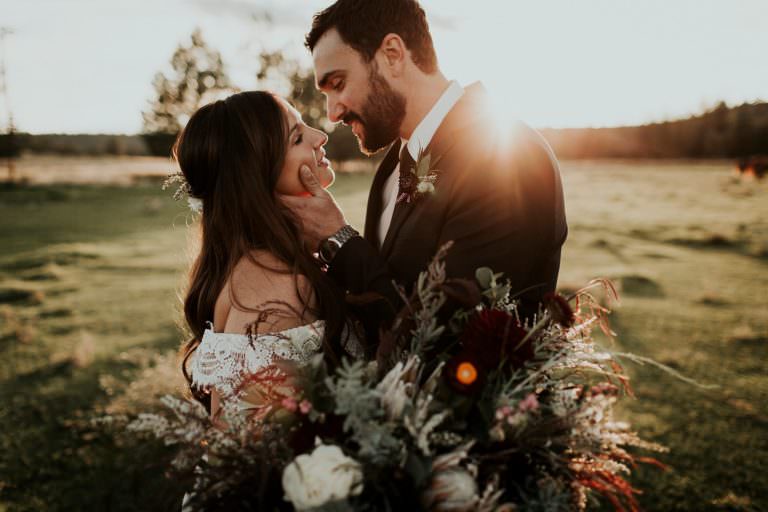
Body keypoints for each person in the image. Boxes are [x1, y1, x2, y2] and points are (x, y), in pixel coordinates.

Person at [281, 0, 568, 357]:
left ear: (392, 54)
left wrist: (339, 240)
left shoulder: (506, 157)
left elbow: (446, 337)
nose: (332, 111)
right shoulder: (392, 164)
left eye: (338, 83)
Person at [172, 90, 358, 423]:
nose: (320, 136)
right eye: (297, 137)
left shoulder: (261, 263)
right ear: (258, 176)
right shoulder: (278, 290)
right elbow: (262, 451)